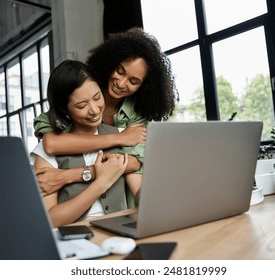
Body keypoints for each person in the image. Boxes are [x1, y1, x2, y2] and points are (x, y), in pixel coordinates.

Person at [33, 27, 178, 203]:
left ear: (144, 87)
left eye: (133, 81)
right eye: (120, 71)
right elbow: (52, 144)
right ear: (111, 62)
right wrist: (120, 138)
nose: (121, 83)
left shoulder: (138, 117)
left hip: (120, 202)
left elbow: (133, 164)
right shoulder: (80, 94)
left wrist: (66, 176)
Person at [32, 60, 141, 227]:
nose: (95, 110)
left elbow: (140, 190)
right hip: (74, 238)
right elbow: (51, 220)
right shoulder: (45, 152)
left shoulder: (122, 136)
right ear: (64, 109)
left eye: (97, 97)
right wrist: (101, 183)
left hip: (121, 230)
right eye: (81, 105)